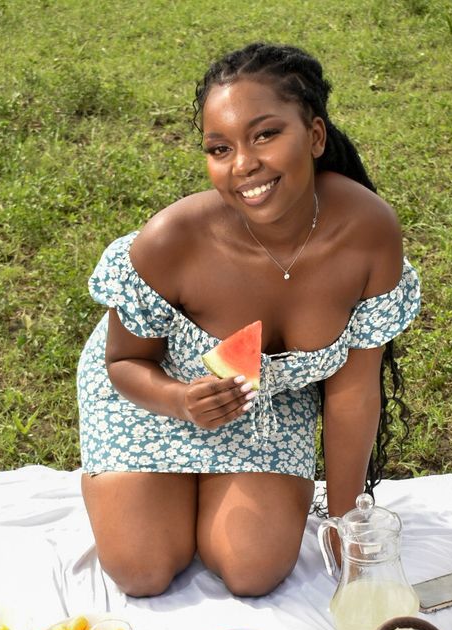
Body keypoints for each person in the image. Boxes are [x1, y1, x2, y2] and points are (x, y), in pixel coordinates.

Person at [77, 42, 420, 598]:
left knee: (252, 572)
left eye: (265, 135)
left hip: (271, 402)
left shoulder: (368, 231)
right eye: (220, 148)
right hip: (152, 395)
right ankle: (141, 488)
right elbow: (125, 361)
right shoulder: (171, 240)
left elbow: (352, 393)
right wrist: (180, 400)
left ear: (314, 135)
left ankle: (204, 490)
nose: (243, 165)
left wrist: (341, 522)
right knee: (142, 571)